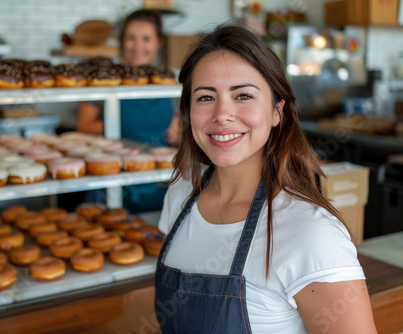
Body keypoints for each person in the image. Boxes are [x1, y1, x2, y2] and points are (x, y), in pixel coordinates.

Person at [154, 25, 377, 333]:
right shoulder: (181, 194)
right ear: (188, 111)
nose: (223, 114)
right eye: (205, 97)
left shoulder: (310, 233)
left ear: (277, 112)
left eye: (243, 95)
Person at [77, 9, 179, 213]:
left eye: (146, 39)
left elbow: (183, 130)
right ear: (122, 42)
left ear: (158, 43)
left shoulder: (173, 81)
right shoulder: (105, 79)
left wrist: (180, 134)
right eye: (131, 38)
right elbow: (84, 125)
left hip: (162, 183)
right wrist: (119, 125)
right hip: (115, 182)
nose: (138, 46)